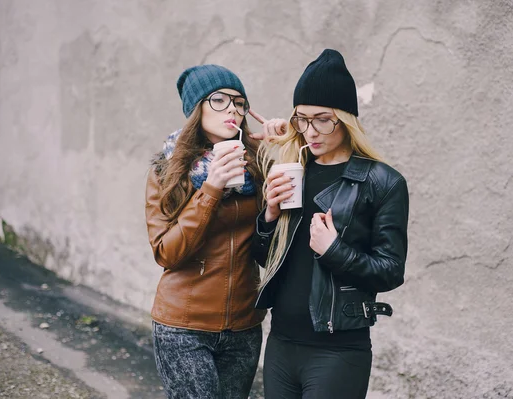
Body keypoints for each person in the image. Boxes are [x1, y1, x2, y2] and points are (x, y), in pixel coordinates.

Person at [252, 49, 409, 398]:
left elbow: (390, 271)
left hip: (338, 352)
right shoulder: (293, 170)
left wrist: (334, 250)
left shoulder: (383, 182)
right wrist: (269, 216)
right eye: (302, 119)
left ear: (346, 118)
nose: (311, 130)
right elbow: (265, 258)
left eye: (323, 119)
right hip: (279, 344)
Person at [145, 64, 267, 399]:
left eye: (239, 102)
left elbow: (266, 250)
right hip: (184, 326)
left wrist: (283, 149)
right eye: (219, 100)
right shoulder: (167, 171)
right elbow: (166, 252)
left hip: (244, 325)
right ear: (195, 109)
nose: (232, 109)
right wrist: (211, 189)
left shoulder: (256, 165)